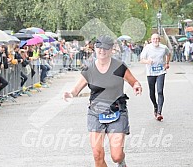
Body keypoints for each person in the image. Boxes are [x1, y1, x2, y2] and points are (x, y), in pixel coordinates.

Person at [63, 35, 142, 167]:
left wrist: (137, 86)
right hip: (96, 113)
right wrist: (70, 93)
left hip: (116, 111)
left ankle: (121, 162)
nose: (102, 51)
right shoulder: (89, 69)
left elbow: (133, 82)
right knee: (97, 155)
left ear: (111, 50)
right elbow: (76, 89)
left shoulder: (119, 66)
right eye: (99, 47)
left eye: (105, 48)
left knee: (116, 156)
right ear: (95, 48)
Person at [140, 33, 170, 121]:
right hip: (150, 72)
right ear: (151, 40)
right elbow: (141, 60)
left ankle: (159, 112)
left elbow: (169, 54)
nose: (156, 40)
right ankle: (155, 106)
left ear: (159, 40)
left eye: (157, 39)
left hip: (161, 71)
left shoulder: (164, 48)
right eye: (154, 39)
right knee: (152, 93)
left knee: (160, 91)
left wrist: (167, 63)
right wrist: (147, 61)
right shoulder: (147, 48)